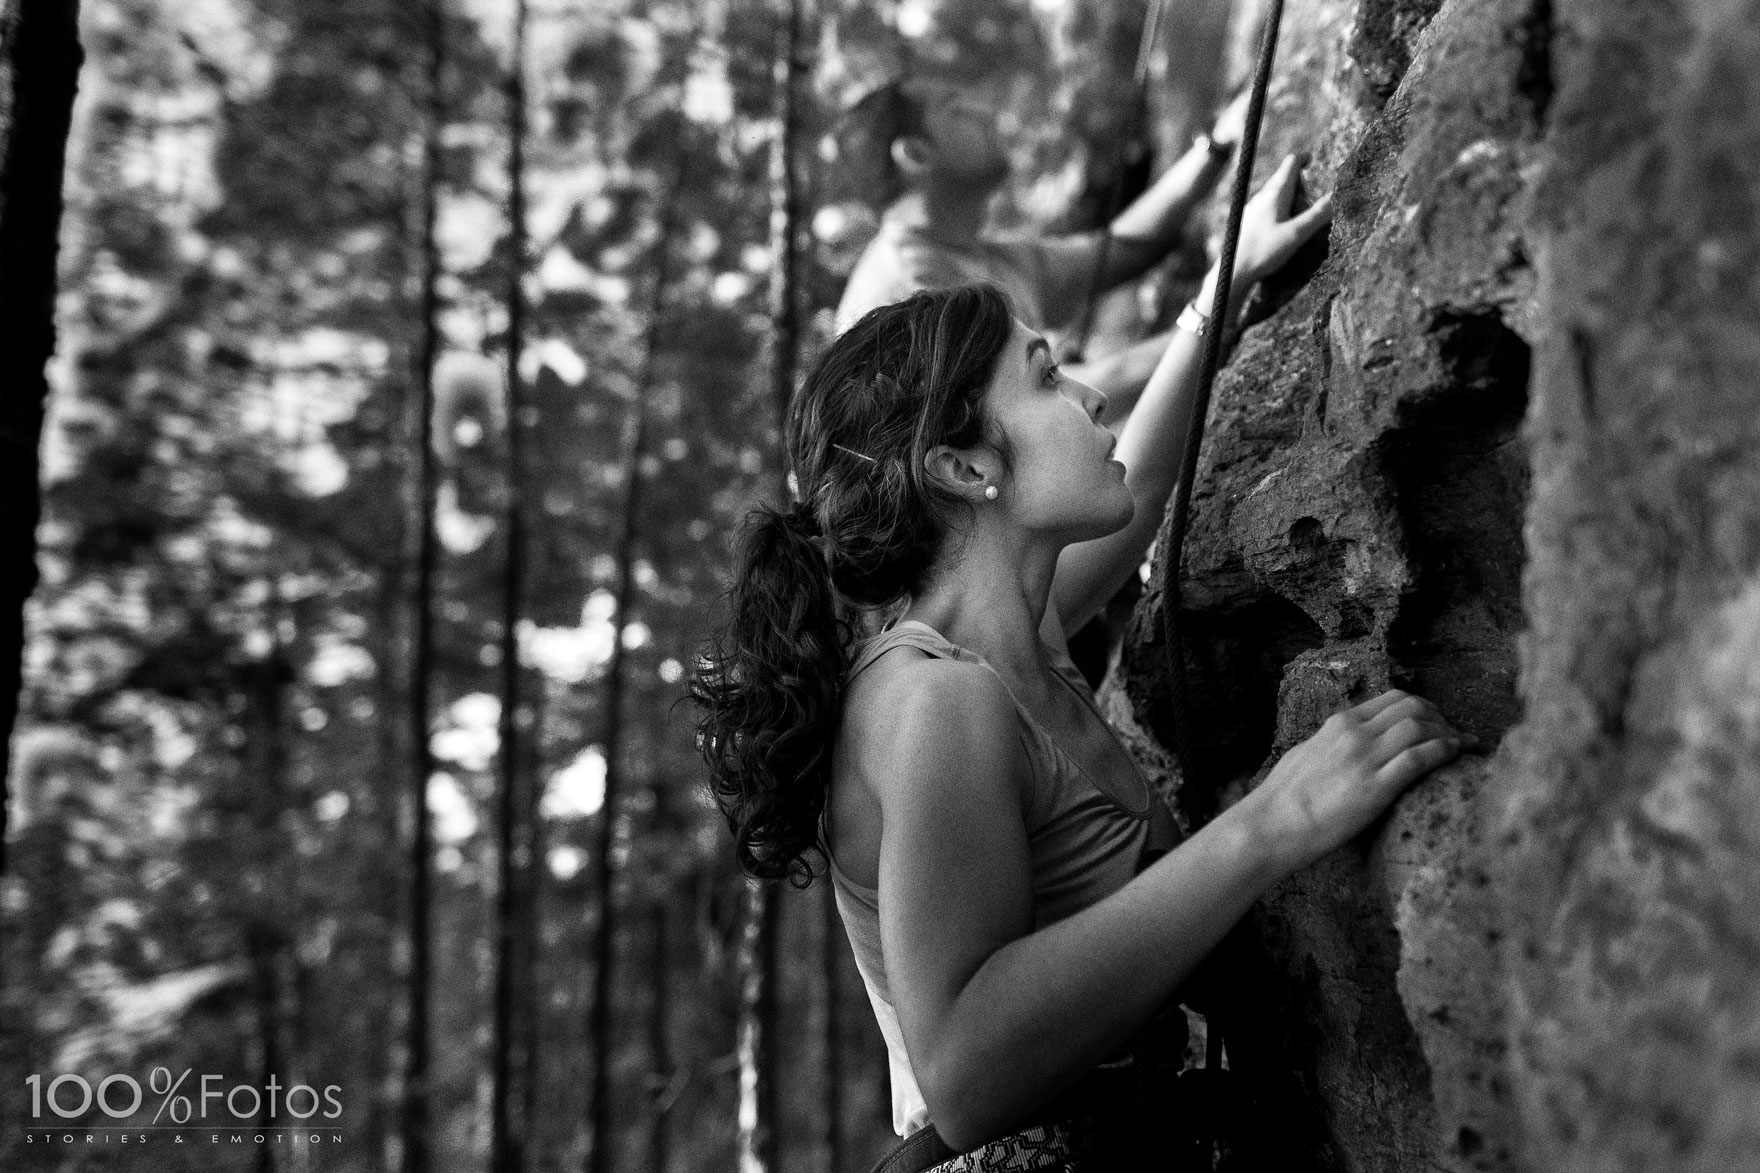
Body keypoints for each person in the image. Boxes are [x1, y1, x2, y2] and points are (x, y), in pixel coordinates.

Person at [692, 159, 1461, 1171]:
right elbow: (964, 1077)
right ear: (965, 468)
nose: (1092, 393)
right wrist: (1270, 825)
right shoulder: (933, 701)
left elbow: (1136, 480)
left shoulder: (1013, 632)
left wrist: (1217, 293)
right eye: (1048, 378)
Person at [831, 76, 1252, 425]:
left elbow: (1120, 250)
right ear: (916, 154)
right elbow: (1059, 404)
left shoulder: (969, 254)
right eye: (955, 108)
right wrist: (1235, 308)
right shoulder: (909, 294)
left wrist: (1216, 145)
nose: (983, 110)